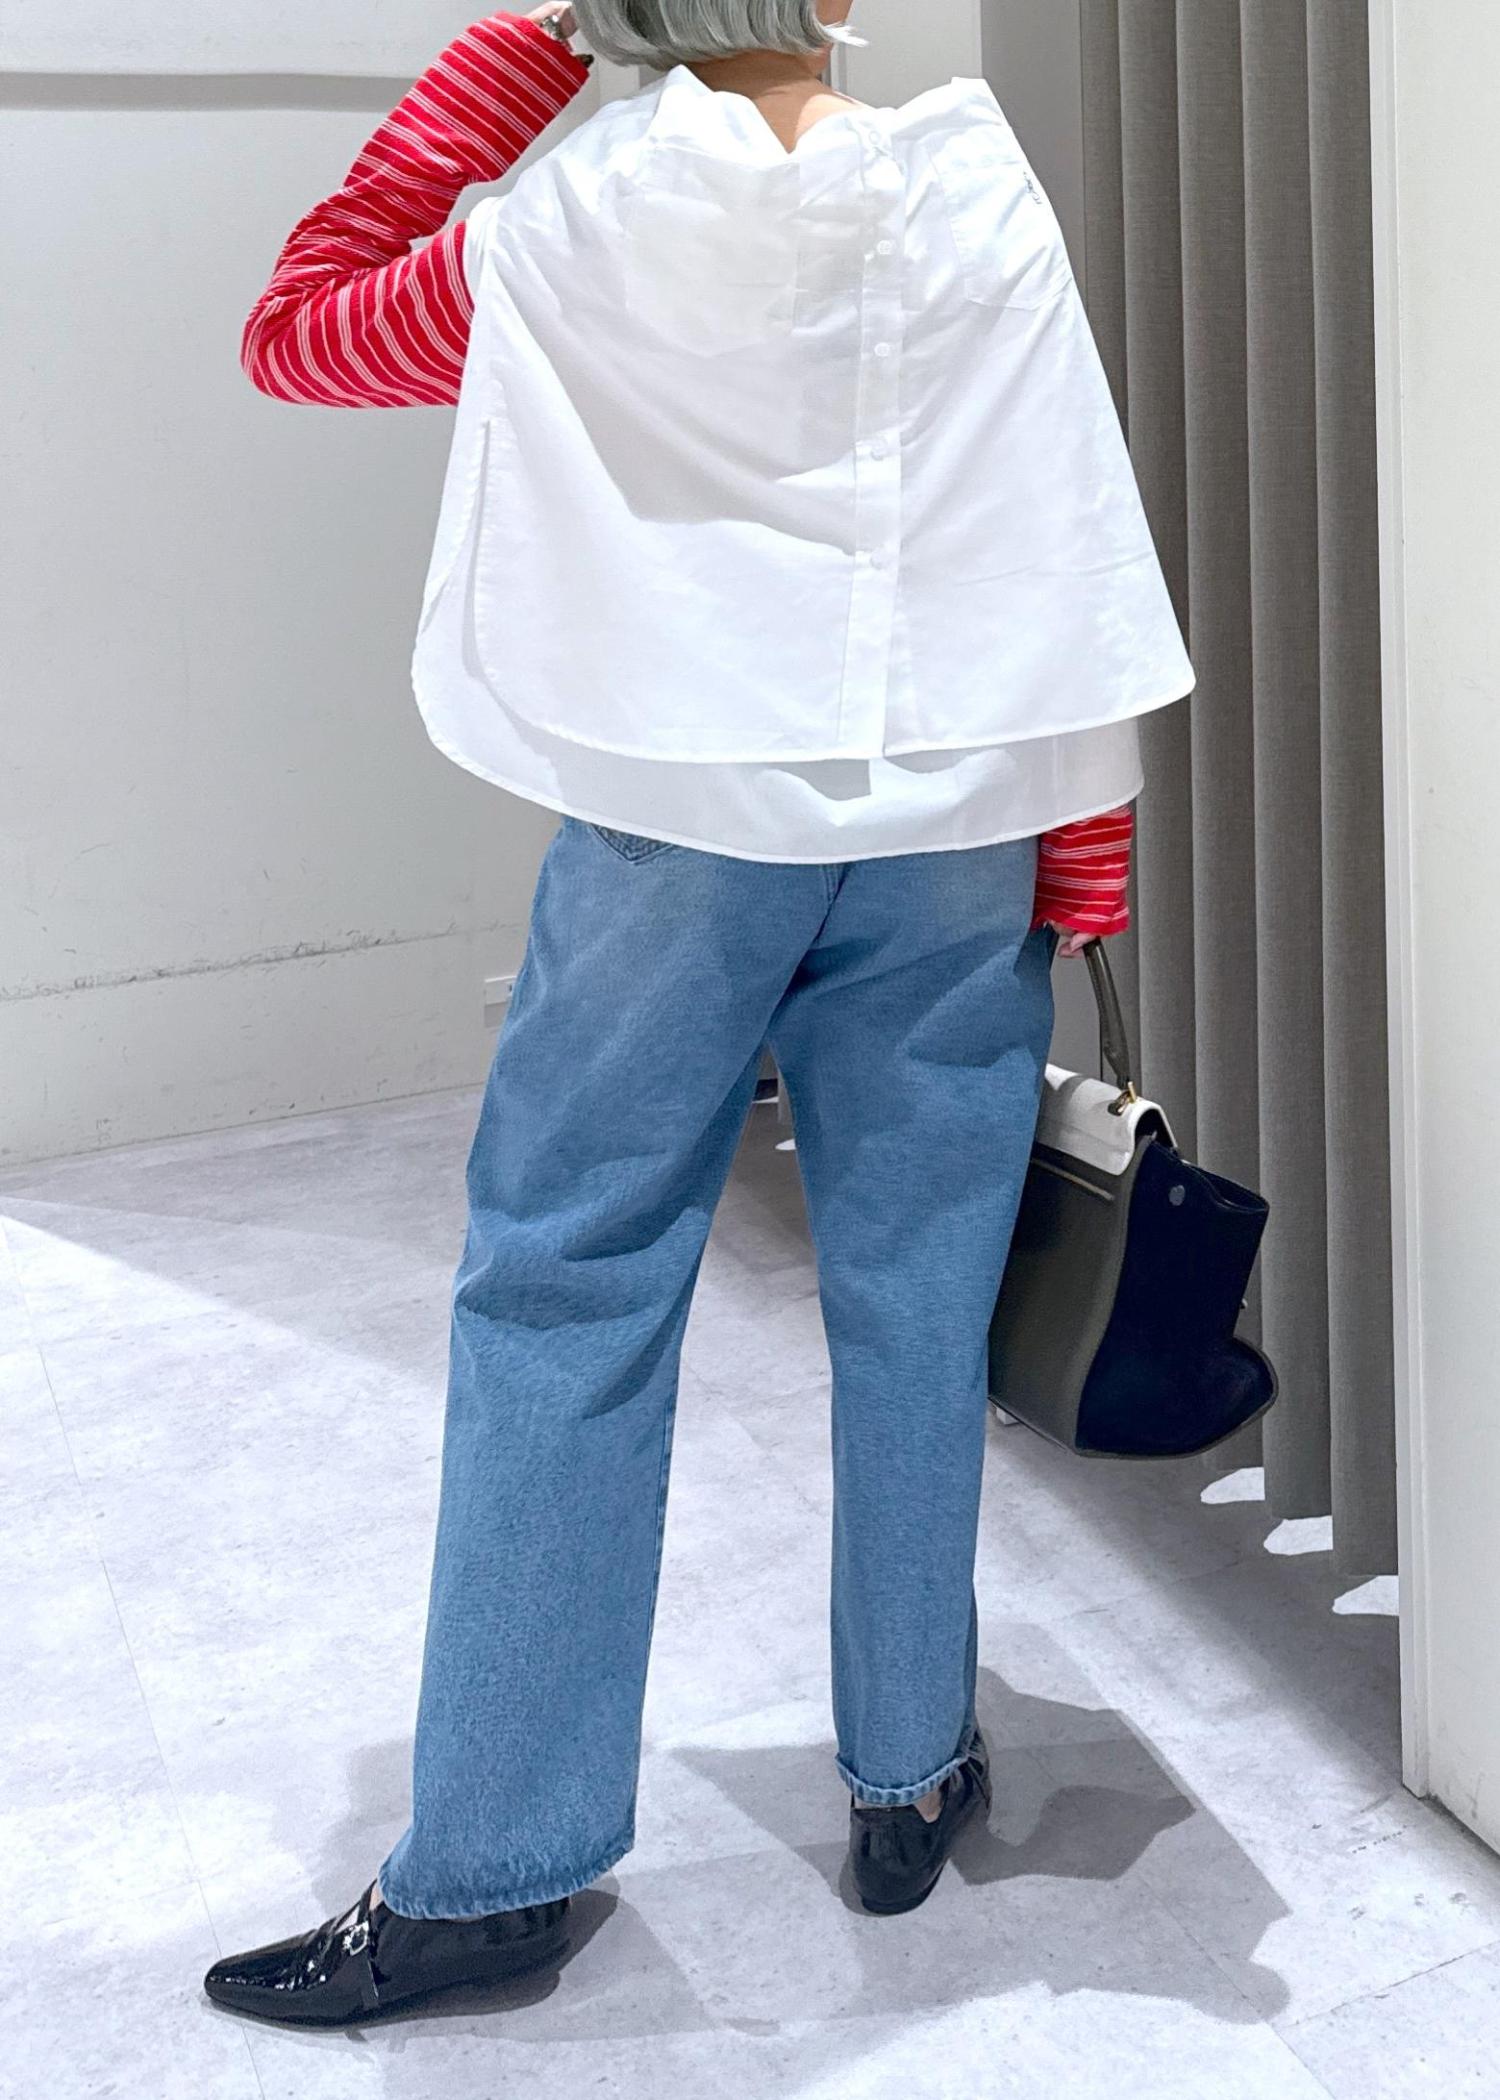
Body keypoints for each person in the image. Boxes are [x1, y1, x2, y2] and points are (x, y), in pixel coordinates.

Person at [204, 0, 1192, 2026]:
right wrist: (1079, 866)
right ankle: (911, 1773)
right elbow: (1056, 542)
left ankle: (494, 1874)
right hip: (956, 825)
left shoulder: (573, 221)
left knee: (567, 1290)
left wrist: (514, 55)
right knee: (918, 1299)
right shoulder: (973, 190)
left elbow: (298, 332)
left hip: (683, 824)